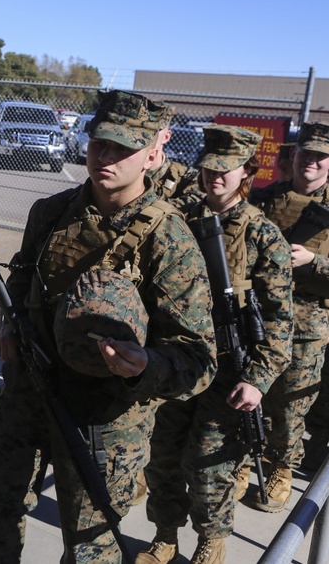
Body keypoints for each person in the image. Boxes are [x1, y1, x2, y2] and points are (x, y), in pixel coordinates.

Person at [0, 90, 216, 564]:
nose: (106, 157)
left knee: (90, 543)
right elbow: (21, 281)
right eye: (100, 142)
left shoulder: (169, 239)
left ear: (153, 153)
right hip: (30, 392)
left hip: (106, 417)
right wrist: (10, 327)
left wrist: (146, 365)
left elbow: (198, 359)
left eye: (124, 148)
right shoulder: (50, 213)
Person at [139, 125, 292, 564]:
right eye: (208, 168)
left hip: (230, 373)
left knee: (209, 466)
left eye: (224, 170)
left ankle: (212, 541)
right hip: (176, 362)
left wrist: (258, 379)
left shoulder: (264, 237)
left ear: (248, 171)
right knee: (162, 455)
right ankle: (165, 536)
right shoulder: (178, 218)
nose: (213, 178)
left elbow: (281, 319)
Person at [247, 121, 329, 511]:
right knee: (251, 395)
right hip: (261, 316)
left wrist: (314, 263)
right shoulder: (265, 199)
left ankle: (281, 466)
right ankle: (246, 461)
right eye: (305, 152)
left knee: (291, 405)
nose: (310, 161)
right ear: (292, 156)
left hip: (309, 324)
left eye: (320, 156)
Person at [147, 111, 203, 204]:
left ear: (166, 136)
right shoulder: (121, 172)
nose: (143, 137)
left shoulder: (185, 178)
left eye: (152, 131)